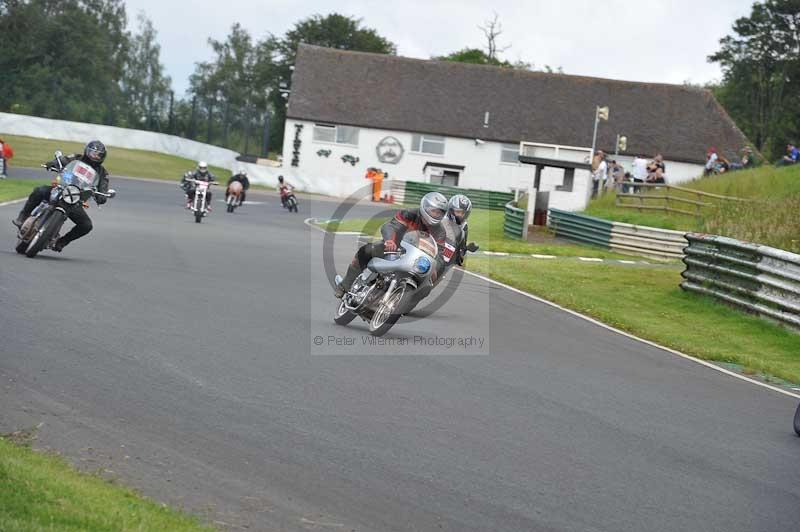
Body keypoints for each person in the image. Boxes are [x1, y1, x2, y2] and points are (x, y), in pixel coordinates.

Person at [334, 192, 449, 299]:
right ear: (425, 207)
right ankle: (344, 286)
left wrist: (435, 268)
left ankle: (404, 300)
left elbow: (439, 253)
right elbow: (390, 226)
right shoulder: (409, 214)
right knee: (366, 251)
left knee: (428, 280)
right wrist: (390, 241)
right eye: (433, 211)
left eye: (439, 212)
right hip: (395, 247)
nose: (436, 214)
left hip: (417, 260)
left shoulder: (440, 231)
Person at [12, 140, 109, 252]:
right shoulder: (76, 157)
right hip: (61, 189)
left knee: (86, 225)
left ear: (102, 157)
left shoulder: (102, 173)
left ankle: (62, 242)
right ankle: (23, 216)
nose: (95, 156)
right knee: (39, 190)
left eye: (98, 155)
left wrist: (102, 196)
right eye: (93, 152)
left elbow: (104, 187)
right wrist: (53, 163)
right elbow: (63, 160)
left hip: (75, 200)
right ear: (87, 151)